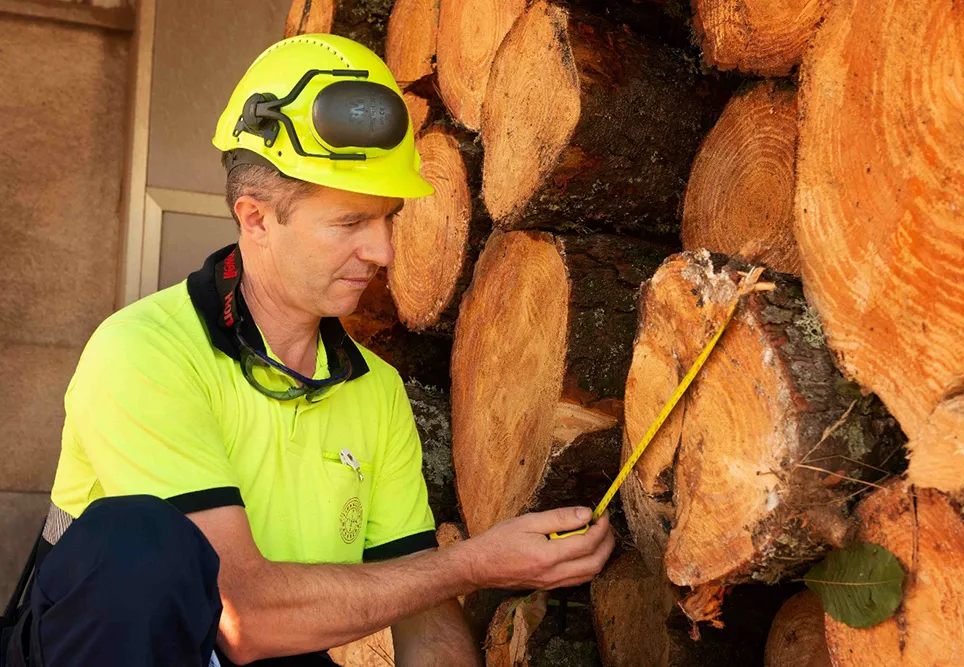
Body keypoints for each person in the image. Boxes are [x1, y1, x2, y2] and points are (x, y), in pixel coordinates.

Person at [0, 34, 614, 667]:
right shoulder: (143, 352)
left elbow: (426, 622)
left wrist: (450, 576)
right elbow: (241, 616)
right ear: (257, 220)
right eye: (349, 223)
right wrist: (473, 564)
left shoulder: (374, 392)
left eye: (388, 219)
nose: (383, 253)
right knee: (146, 548)